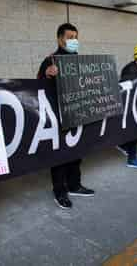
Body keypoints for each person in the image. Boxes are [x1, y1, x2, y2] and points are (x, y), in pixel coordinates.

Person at [37, 23, 94, 209]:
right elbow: (37, 86)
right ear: (59, 39)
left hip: (77, 113)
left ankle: (74, 185)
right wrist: (47, 74)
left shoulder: (79, 61)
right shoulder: (51, 60)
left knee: (76, 152)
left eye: (76, 37)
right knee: (60, 156)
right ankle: (59, 191)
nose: (74, 40)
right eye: (70, 37)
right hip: (58, 116)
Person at [116, 42, 137, 168]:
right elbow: (126, 85)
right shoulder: (129, 68)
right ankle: (132, 159)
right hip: (131, 106)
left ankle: (124, 145)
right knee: (135, 131)